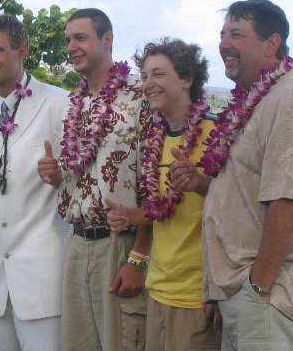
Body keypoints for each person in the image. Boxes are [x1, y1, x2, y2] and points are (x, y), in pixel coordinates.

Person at [170, 0, 293, 350]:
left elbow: (291, 201)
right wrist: (203, 184)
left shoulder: (291, 102)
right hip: (242, 293)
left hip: (268, 298)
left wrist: (257, 286)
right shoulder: (257, 104)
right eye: (222, 34)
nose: (224, 44)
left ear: (271, 44)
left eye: (237, 34)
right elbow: (248, 193)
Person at [38, 8, 152, 351]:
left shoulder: (141, 97)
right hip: (76, 243)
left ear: (107, 40)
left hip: (120, 245)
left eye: (81, 37)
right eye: (68, 39)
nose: (71, 46)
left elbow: (154, 187)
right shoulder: (76, 102)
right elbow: (85, 173)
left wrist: (139, 259)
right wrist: (57, 176)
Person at [0, 14, 71, 351]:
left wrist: (61, 175)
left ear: (21, 51)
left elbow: (84, 181)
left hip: (43, 279)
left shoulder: (61, 104)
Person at [106, 38, 221, 351]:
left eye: (158, 74)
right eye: (145, 76)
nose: (148, 84)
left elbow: (236, 209)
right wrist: (129, 216)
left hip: (197, 296)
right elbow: (161, 209)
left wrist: (201, 182)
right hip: (158, 288)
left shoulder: (217, 134)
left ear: (187, 79)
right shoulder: (156, 140)